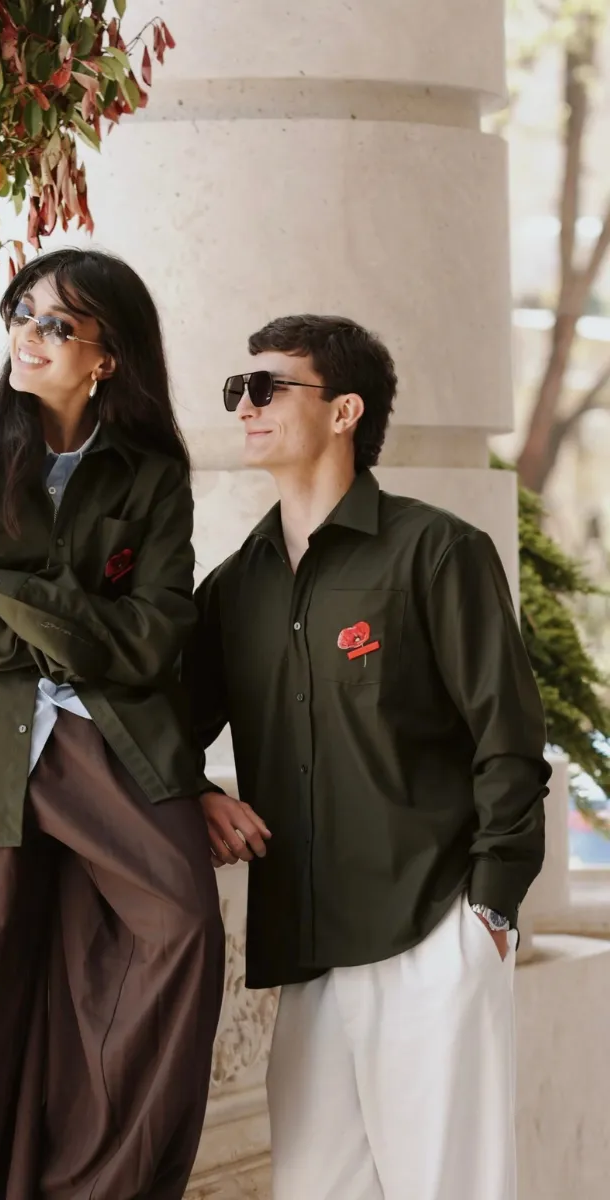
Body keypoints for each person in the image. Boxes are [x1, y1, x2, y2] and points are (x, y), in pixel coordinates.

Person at [0, 248, 225, 1200]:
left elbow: (157, 634)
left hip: (101, 742)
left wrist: (4, 589)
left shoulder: (152, 478)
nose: (29, 335)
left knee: (181, 926)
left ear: (109, 355)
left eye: (57, 324)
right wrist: (79, 631)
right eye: (22, 312)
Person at [187, 315, 551, 1200]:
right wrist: (193, 791)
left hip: (431, 933)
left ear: (344, 410)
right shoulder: (236, 587)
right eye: (239, 389)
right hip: (308, 956)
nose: (246, 406)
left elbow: (508, 741)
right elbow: (162, 725)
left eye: (268, 387)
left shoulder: (438, 553)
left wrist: (489, 914)